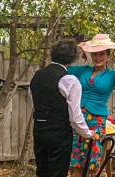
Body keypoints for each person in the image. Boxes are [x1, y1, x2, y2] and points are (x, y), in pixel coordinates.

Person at [69, 34, 115, 176]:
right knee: (76, 152)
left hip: (96, 118)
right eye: (95, 54)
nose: (98, 58)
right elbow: (62, 68)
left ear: (108, 55)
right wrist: (77, 49)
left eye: (102, 54)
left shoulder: (112, 75)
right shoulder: (82, 70)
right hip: (78, 116)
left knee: (93, 151)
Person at [31, 39, 94, 177]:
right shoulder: (69, 80)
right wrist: (87, 133)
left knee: (42, 170)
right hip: (58, 132)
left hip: (39, 130)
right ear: (72, 58)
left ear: (53, 54)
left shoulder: (37, 75)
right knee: (57, 172)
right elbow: (75, 116)